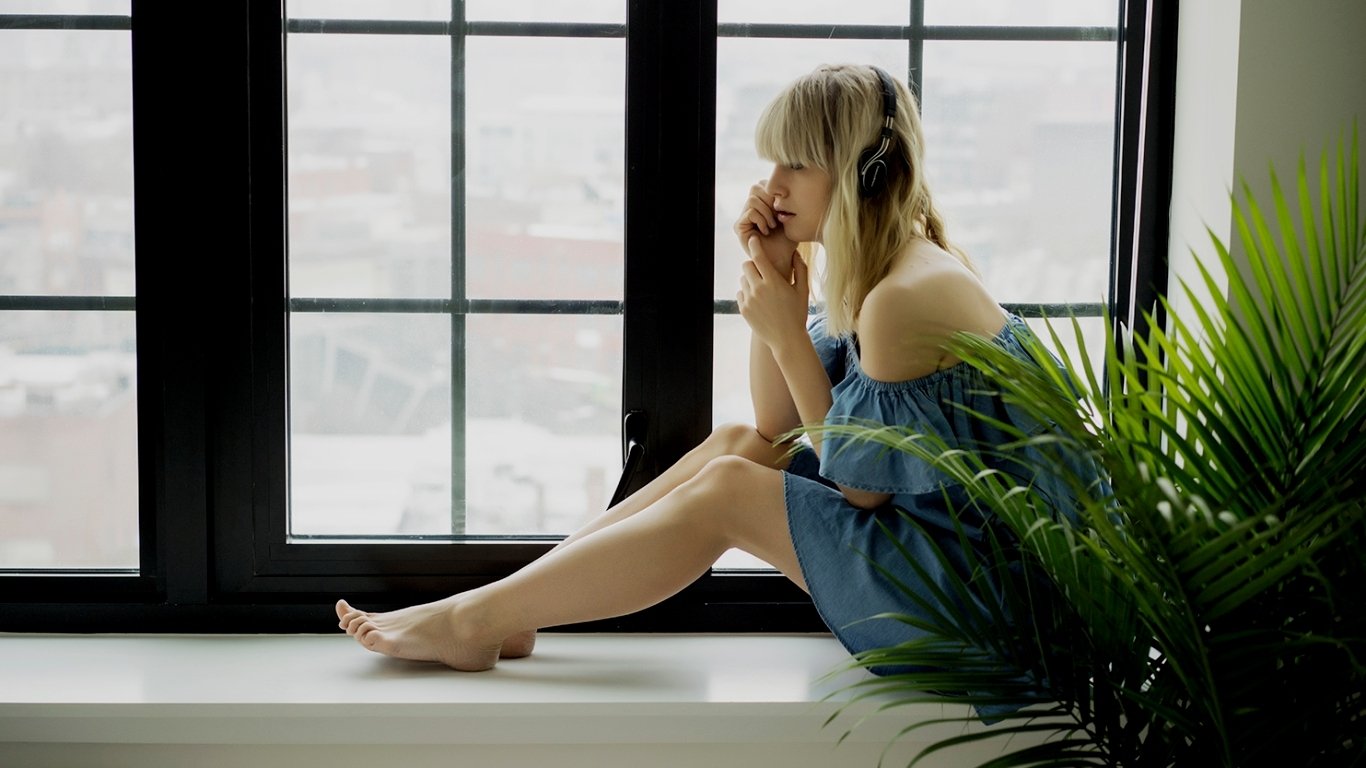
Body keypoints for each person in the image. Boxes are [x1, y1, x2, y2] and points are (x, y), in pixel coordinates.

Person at [335, 63, 1088, 681]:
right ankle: (506, 607)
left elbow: (862, 486)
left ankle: (476, 618)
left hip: (975, 607)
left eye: (796, 162)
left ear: (865, 174)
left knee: (731, 489)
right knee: (735, 446)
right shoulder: (882, 271)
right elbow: (772, 426)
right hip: (932, 553)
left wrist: (788, 336)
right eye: (773, 161)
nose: (775, 185)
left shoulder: (904, 297)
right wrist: (773, 271)